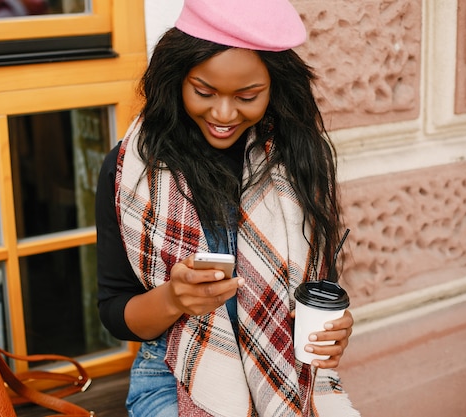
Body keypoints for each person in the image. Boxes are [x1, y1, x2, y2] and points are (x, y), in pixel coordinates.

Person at [96, 0, 358, 415]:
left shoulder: (300, 162)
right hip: (172, 374)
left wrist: (338, 329)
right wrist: (174, 299)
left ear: (274, 88)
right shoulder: (131, 170)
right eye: (203, 91)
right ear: (177, 79)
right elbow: (114, 313)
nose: (222, 113)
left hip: (286, 372)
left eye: (247, 96)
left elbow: (316, 284)